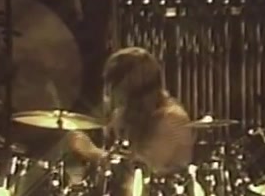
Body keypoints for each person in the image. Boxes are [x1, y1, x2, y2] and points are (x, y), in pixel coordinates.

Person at [66, 47, 194, 174]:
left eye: (115, 85)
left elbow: (143, 172)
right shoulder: (124, 115)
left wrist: (93, 153)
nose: (110, 93)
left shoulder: (171, 119)